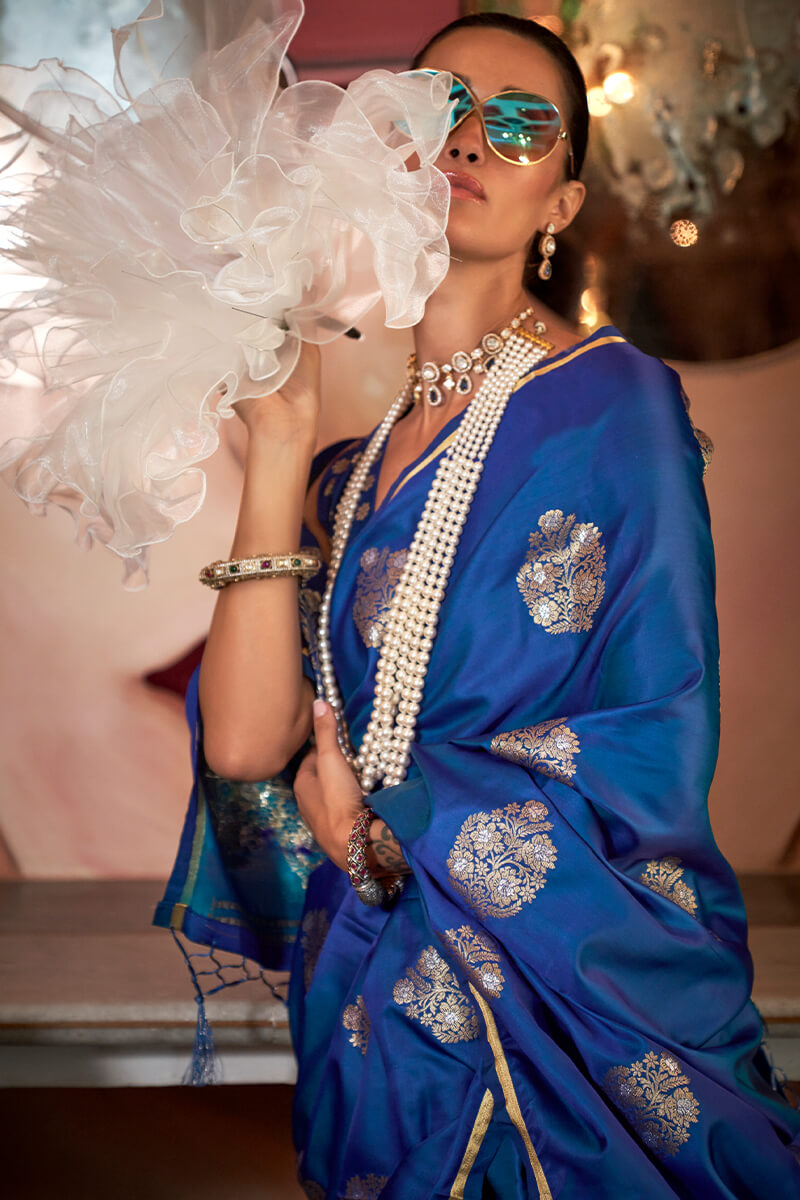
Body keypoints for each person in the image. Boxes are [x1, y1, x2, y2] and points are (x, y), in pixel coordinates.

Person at [192, 13, 800, 1199]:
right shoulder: (350, 472)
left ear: (560, 203)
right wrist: (277, 445)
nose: (469, 141)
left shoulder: (614, 406)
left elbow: (650, 736)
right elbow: (246, 746)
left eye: (520, 125)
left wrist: (381, 833)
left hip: (566, 1009)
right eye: (437, 111)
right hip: (373, 1003)